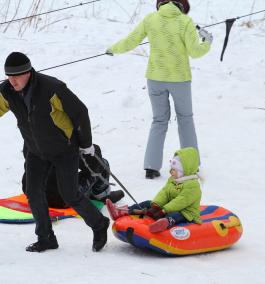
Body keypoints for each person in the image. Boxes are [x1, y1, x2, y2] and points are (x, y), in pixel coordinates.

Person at [0, 51, 110, 252]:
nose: (12, 81)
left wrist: (86, 143)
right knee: (33, 191)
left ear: (28, 72)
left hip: (64, 149)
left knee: (70, 194)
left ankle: (99, 225)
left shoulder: (51, 88)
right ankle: (46, 238)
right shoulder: (7, 92)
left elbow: (80, 112)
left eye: (16, 76)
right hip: (35, 150)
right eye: (9, 76)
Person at [106, 0, 213, 179]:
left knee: (159, 121)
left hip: (155, 79)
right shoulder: (185, 22)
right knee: (185, 119)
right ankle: (190, 166)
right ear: (181, 6)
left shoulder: (151, 19)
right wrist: (207, 42)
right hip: (179, 80)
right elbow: (195, 52)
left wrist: (112, 49)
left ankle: (151, 167)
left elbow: (131, 41)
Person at [106, 147, 202, 233]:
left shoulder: (193, 186)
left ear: (184, 171)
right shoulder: (173, 180)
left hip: (187, 212)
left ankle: (165, 222)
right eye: (171, 169)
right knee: (148, 203)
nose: (170, 171)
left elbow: (181, 201)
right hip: (167, 208)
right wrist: (156, 205)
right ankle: (123, 211)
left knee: (178, 214)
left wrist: (164, 210)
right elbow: (164, 193)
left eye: (174, 170)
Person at [21, 143, 125, 209]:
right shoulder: (63, 135)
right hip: (62, 198)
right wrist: (90, 147)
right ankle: (101, 195)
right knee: (103, 163)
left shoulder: (30, 128)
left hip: (31, 192)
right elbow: (93, 164)